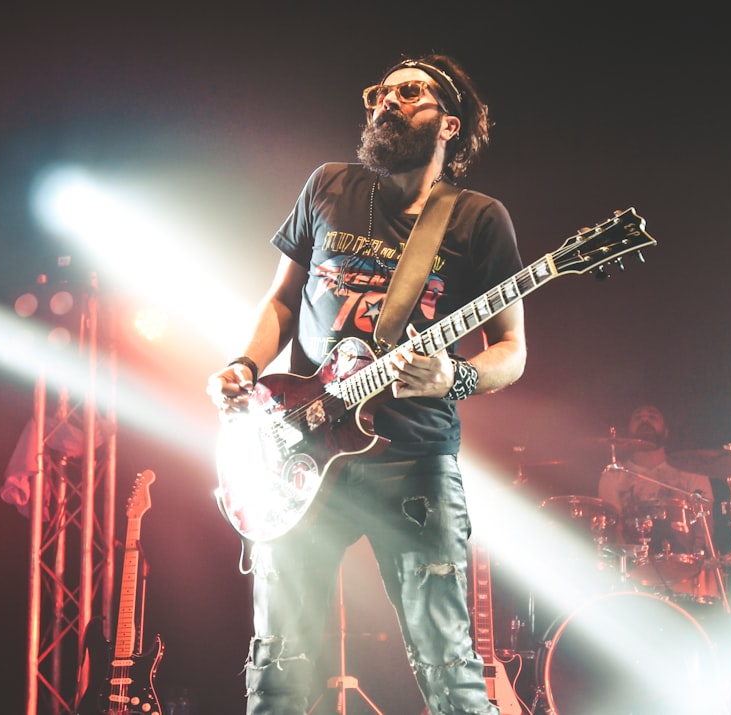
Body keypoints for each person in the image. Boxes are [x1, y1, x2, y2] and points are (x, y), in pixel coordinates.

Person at [206, 53, 526, 715]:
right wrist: (244, 364)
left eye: (409, 93)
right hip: (303, 446)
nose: (386, 101)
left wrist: (458, 374)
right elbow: (282, 303)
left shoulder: (477, 219)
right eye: (380, 92)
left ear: (449, 124)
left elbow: (511, 351)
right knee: (279, 667)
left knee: (452, 670)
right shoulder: (328, 187)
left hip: (414, 460)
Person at [597, 404, 721, 604]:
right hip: (635, 575)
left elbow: (706, 524)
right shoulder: (613, 476)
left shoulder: (690, 472)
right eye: (638, 417)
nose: (645, 421)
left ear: (666, 431)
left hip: (687, 571)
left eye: (653, 416)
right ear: (628, 432)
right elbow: (614, 529)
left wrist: (696, 561)